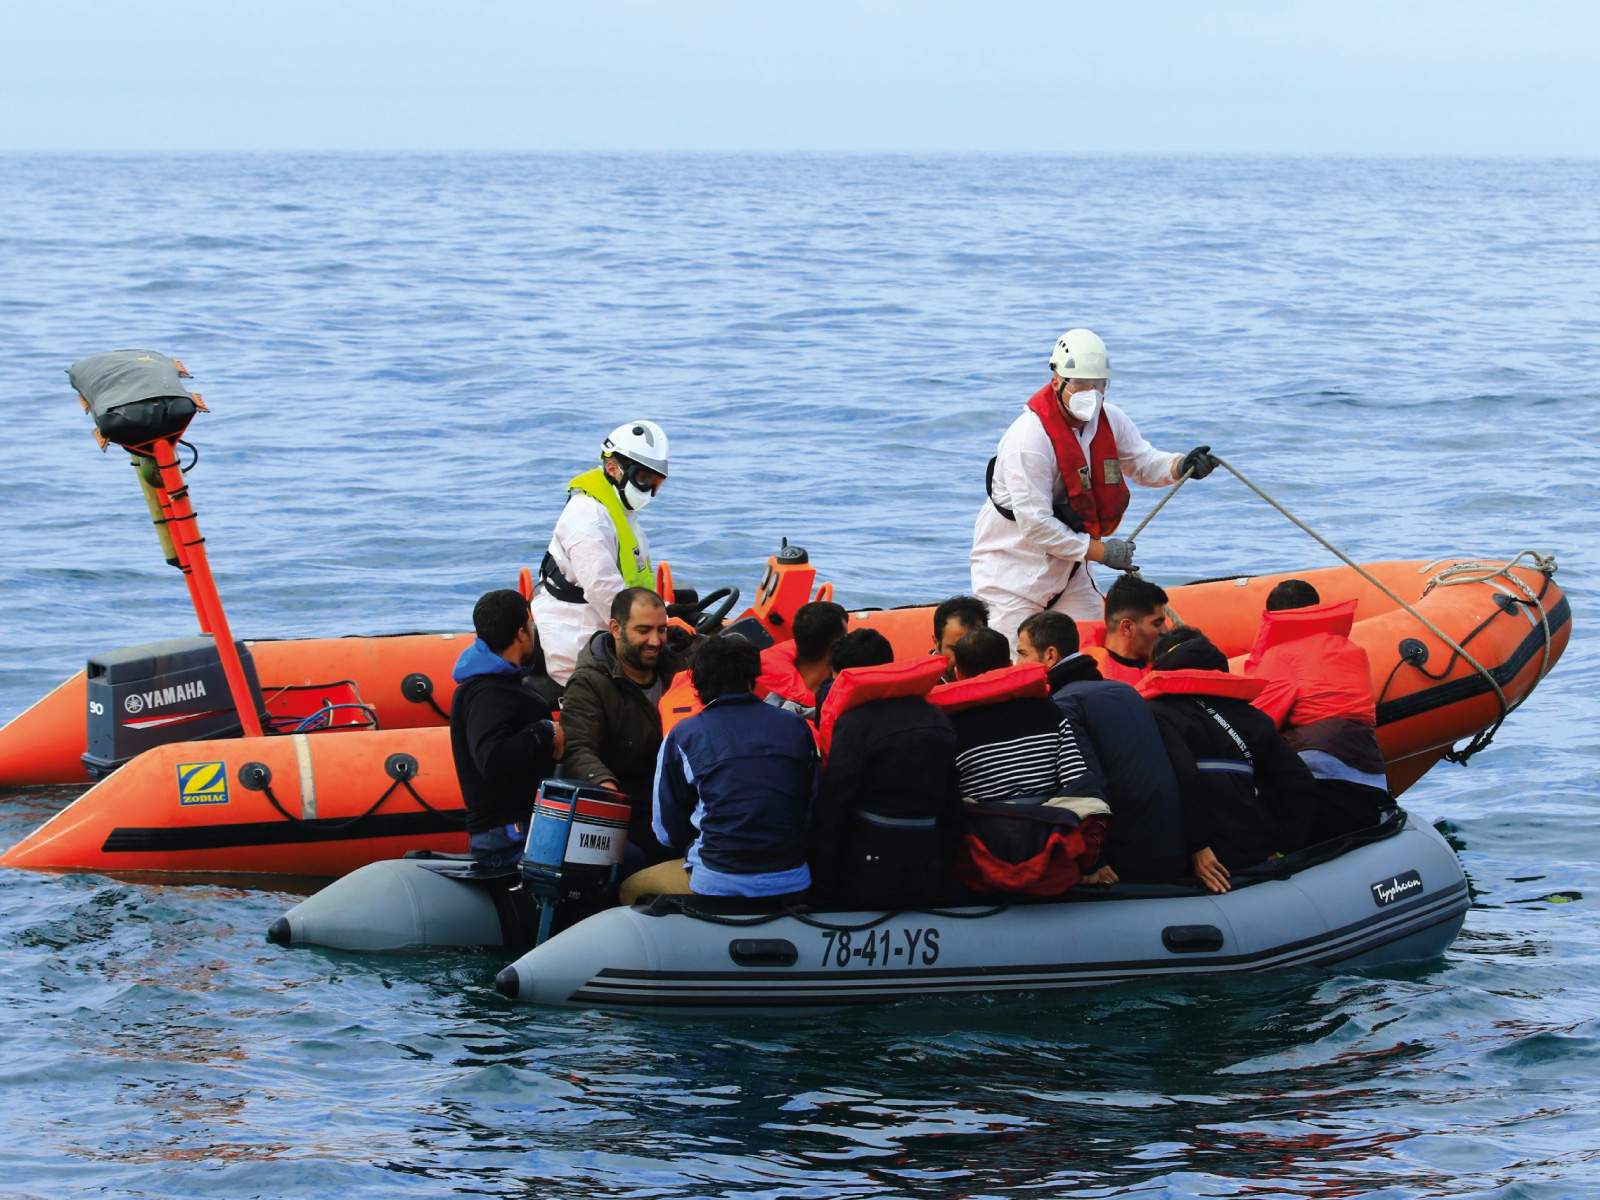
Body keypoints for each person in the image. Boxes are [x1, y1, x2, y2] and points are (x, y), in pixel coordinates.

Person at [970, 328, 1217, 647]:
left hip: (1072, 573)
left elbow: (1141, 461)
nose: (1091, 392)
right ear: (1057, 381)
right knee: (1016, 662)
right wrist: (1103, 552)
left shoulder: (1110, 419)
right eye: (1081, 383)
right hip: (1013, 576)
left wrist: (1180, 466)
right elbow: (1036, 525)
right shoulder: (1028, 440)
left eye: (1099, 384)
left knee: (1091, 652)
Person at [1140, 626, 1320, 894]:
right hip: (1257, 855)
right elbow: (1300, 785)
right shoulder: (1255, 718)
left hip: (1197, 866)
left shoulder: (1154, 714)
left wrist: (1197, 846)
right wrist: (1284, 848)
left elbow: (1177, 781)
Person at [936, 627, 1113, 894]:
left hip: (980, 862)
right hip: (1051, 854)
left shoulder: (947, 727)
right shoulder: (1049, 710)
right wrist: (1091, 864)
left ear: (958, 673)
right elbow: (1078, 783)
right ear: (1009, 666)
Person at [643, 634, 817, 899]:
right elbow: (810, 805)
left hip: (717, 879)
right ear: (752, 678)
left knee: (630, 888)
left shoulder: (683, 735)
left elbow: (666, 832)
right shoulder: (797, 727)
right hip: (792, 877)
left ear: (697, 683)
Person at [1016, 610, 1187, 880]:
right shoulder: (1127, 691)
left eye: (1022, 654)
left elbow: (1088, 783)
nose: (1017, 664)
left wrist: (1093, 862)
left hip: (1123, 861)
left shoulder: (1064, 705)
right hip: (1172, 844)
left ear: (1050, 655)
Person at [809, 629, 963, 908]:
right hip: (927, 866)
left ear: (843, 677)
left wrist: (821, 884)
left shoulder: (855, 724)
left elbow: (833, 807)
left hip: (870, 872)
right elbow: (952, 806)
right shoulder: (936, 717)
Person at [1245, 579, 1394, 842]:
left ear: (1273, 616)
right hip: (1369, 772)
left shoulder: (1279, 655)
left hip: (1316, 773)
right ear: (1317, 608)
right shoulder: (1353, 650)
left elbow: (1260, 722)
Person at [532, 421, 670, 686]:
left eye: (657, 482)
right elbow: (603, 588)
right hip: (577, 642)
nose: (650, 491)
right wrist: (660, 625)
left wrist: (666, 614)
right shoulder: (587, 518)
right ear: (613, 468)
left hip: (610, 626)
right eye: (643, 479)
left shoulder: (618, 509)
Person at [559, 586, 686, 865]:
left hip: (684, 797)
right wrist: (607, 790)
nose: (655, 641)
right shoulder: (590, 682)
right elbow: (577, 747)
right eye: (644, 630)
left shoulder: (681, 669)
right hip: (632, 803)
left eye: (662, 630)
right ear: (616, 629)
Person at [448, 589, 565, 868]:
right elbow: (492, 759)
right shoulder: (488, 692)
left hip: (519, 826)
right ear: (521, 633)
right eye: (531, 625)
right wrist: (545, 729)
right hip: (507, 835)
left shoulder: (502, 684)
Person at [759, 600, 849, 715]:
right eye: (845, 640)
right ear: (834, 649)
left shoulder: (769, 704)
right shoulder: (843, 706)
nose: (848, 645)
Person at [1085, 574, 1172, 685]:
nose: (1165, 631)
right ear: (1127, 627)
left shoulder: (1171, 662)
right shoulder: (1090, 677)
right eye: (1157, 624)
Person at [932, 595, 990, 683]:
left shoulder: (995, 671)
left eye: (974, 649)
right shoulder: (922, 687)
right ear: (936, 643)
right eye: (954, 649)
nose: (965, 659)